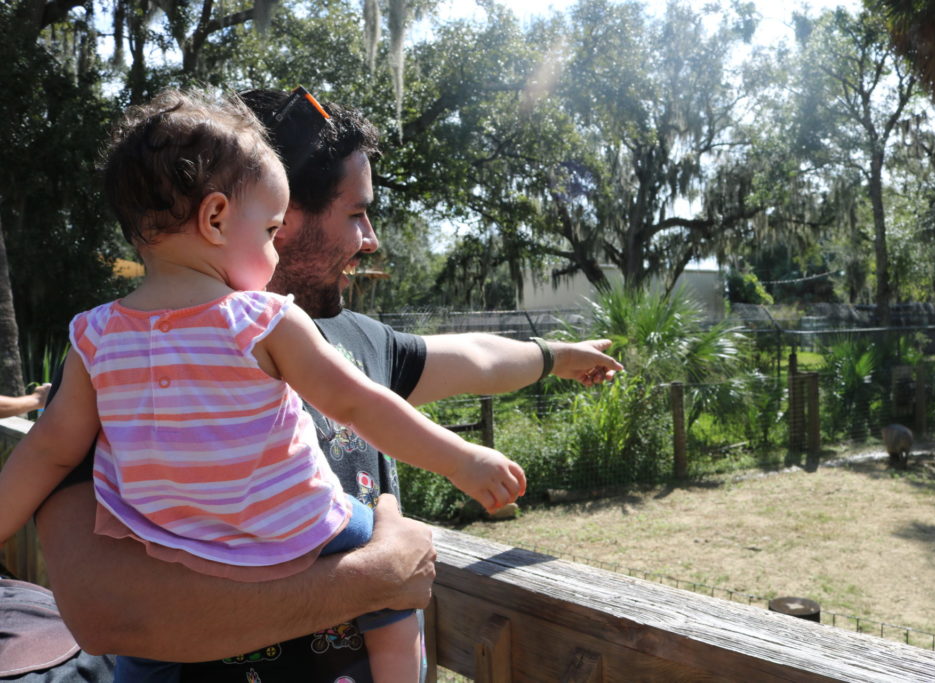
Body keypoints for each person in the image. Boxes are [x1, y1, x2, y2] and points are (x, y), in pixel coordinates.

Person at [32, 85, 622, 682]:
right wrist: (374, 579)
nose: (370, 240)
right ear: (279, 221)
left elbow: (473, 355)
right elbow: (108, 617)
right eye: (356, 214)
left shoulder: (351, 339)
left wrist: (552, 356)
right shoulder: (119, 357)